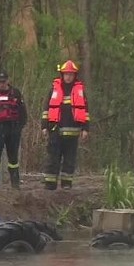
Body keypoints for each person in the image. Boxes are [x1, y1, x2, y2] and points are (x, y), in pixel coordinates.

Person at [41, 60, 89, 190]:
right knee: (53, 158)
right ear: (62, 75)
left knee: (69, 160)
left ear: (75, 76)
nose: (68, 76)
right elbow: (46, 109)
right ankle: (50, 184)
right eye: (66, 74)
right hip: (55, 130)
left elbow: (85, 111)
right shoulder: (53, 90)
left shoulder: (80, 91)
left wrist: (85, 129)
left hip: (73, 133)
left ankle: (66, 184)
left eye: (71, 74)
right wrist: (44, 127)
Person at [0, 70, 27, 190]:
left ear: (8, 80)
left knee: (13, 157)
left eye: (4, 81)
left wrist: (19, 127)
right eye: (0, 81)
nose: (2, 84)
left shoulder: (16, 93)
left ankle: (15, 183)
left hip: (13, 129)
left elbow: (22, 112)